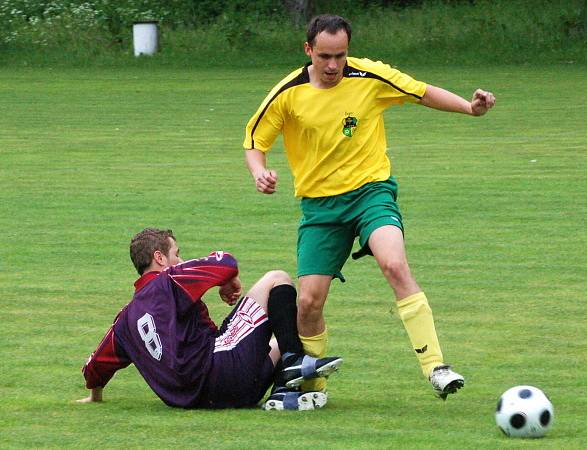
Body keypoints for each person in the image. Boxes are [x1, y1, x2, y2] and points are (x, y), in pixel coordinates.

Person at [243, 14, 496, 399]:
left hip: (370, 193)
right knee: (308, 301)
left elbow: (422, 92)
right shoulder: (288, 92)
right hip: (321, 208)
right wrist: (259, 171)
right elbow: (254, 140)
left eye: (340, 56)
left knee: (394, 263)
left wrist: (470, 108)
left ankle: (436, 367)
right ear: (308, 50)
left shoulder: (370, 77)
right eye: (324, 56)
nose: (332, 66)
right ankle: (313, 385)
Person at [77, 228, 343, 410]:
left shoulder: (124, 322)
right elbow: (224, 261)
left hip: (195, 399)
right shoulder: (169, 280)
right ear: (159, 258)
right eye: (176, 253)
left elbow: (96, 367)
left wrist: (95, 396)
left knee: (279, 340)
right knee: (277, 278)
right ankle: (293, 366)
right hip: (225, 373)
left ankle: (285, 388)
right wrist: (229, 279)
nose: (179, 259)